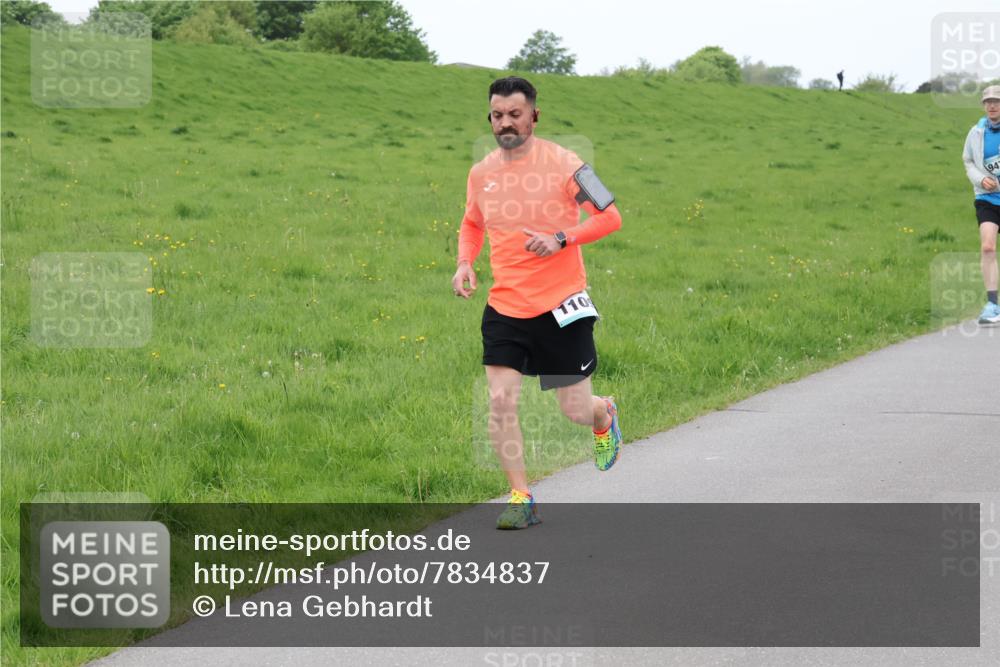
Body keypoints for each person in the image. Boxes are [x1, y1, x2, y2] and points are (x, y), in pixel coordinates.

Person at [451, 76, 624, 529]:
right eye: (496, 115)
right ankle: (520, 496)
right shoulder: (481, 172)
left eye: (514, 114)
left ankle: (604, 414)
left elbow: (610, 216)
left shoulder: (566, 164)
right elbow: (471, 225)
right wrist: (464, 262)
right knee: (500, 401)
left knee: (574, 410)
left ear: (534, 116)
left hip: (561, 305)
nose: (504, 123)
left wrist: (562, 238)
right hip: (506, 307)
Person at [962, 84, 1000, 325]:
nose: (992, 105)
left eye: (996, 101)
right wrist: (981, 179)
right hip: (987, 199)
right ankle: (992, 305)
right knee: (987, 247)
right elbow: (967, 161)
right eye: (988, 102)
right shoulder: (976, 132)